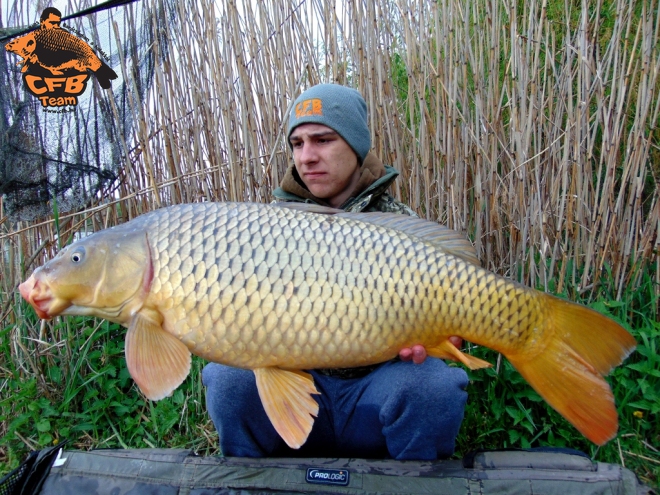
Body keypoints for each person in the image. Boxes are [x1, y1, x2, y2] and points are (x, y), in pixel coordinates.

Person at [202, 84, 469, 460]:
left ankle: (413, 483)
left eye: (323, 140)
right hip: (294, 396)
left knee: (434, 386)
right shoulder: (264, 230)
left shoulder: (399, 226)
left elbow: (456, 331)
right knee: (227, 378)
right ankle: (250, 481)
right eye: (297, 144)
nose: (306, 157)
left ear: (356, 146)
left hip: (377, 394)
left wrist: (445, 338)